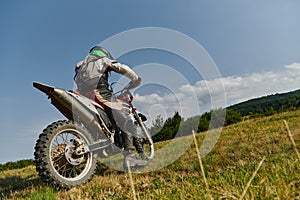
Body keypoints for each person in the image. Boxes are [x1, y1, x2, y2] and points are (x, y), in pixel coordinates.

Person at [74, 46, 147, 169]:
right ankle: (129, 155)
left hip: (84, 96)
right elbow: (122, 68)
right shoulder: (102, 60)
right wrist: (135, 78)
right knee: (125, 118)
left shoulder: (81, 65)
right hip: (100, 93)